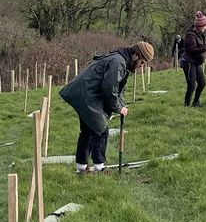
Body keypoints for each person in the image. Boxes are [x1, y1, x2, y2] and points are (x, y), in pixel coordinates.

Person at [60, 41, 154, 173]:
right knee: (101, 130)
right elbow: (109, 89)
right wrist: (119, 108)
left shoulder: (122, 60)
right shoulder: (118, 62)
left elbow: (118, 89)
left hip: (84, 92)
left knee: (87, 131)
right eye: (142, 62)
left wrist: (121, 105)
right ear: (136, 55)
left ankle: (81, 169)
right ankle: (99, 168)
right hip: (87, 94)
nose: (141, 66)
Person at [181, 12, 206, 106]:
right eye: (205, 26)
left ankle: (196, 102)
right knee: (191, 85)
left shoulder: (201, 34)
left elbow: (204, 44)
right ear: (200, 26)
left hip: (196, 62)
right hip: (188, 62)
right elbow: (192, 50)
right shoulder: (190, 35)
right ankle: (186, 105)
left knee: (202, 83)